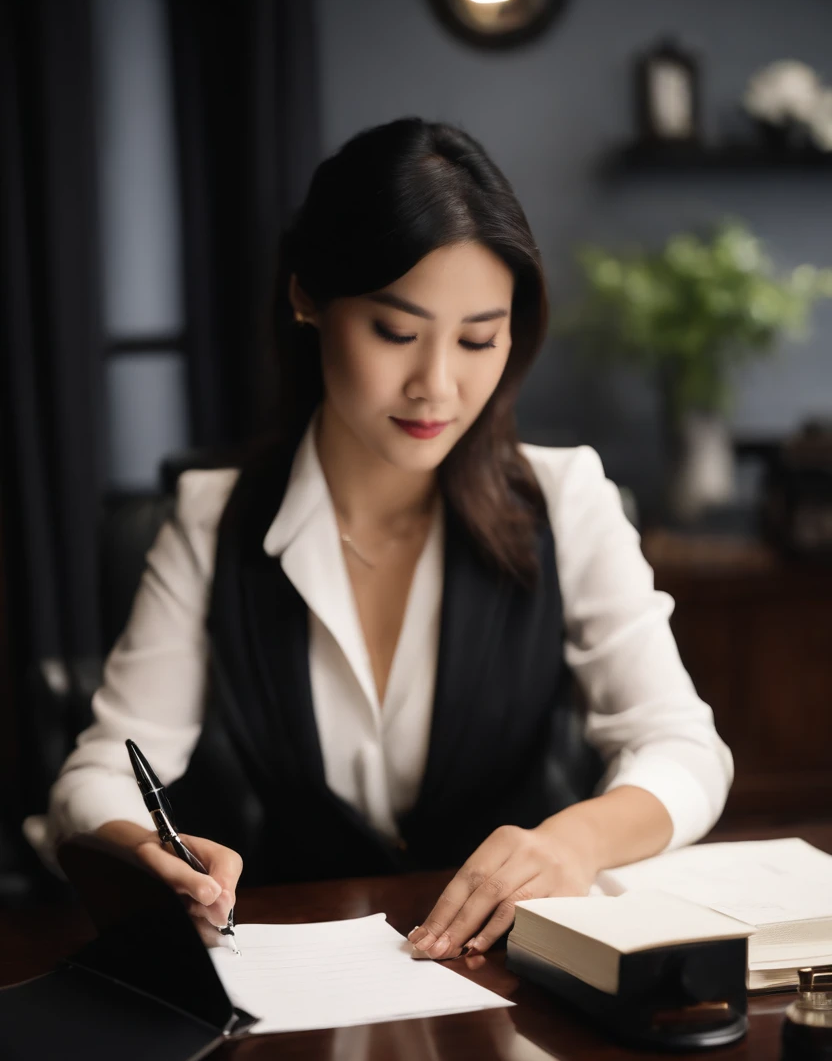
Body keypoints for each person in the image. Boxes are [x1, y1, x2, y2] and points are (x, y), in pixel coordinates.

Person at [24, 117, 732, 961]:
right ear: (306, 297)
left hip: (509, 987)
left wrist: (575, 842)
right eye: (396, 333)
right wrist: (149, 853)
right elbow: (99, 771)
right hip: (291, 986)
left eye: (478, 339)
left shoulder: (565, 498)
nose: (437, 385)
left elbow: (684, 749)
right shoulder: (215, 519)